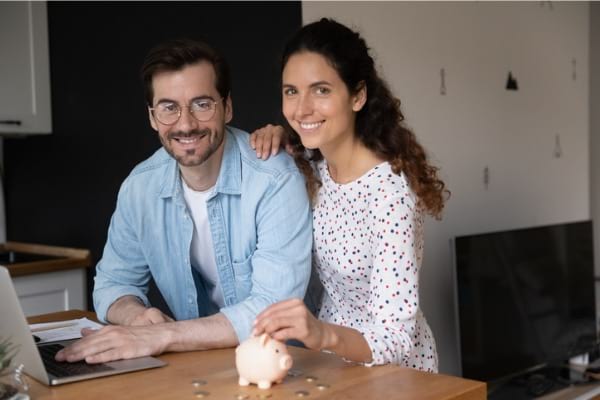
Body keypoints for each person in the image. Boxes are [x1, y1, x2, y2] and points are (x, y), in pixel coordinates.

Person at [56, 38, 312, 364]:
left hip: (280, 368)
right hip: (194, 368)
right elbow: (112, 283)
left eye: (202, 104)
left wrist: (162, 336)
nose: (186, 123)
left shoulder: (273, 178)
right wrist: (137, 318)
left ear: (227, 107)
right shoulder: (140, 187)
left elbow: (275, 310)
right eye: (168, 108)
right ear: (152, 117)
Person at [251, 18, 448, 372]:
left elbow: (395, 338)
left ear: (358, 96)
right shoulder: (313, 165)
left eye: (321, 90)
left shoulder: (390, 197)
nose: (302, 109)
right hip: (334, 367)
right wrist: (278, 134)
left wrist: (321, 334)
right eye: (291, 91)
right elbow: (298, 134)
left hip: (397, 375)